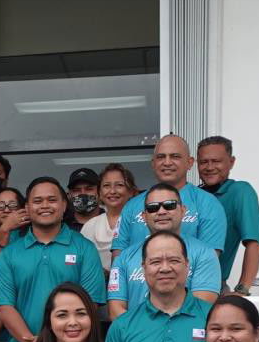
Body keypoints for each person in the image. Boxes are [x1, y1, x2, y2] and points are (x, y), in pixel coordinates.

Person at [0, 177, 106, 342]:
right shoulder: (10, 253)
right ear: (27, 208)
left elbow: (90, 304)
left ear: (64, 205)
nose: (45, 205)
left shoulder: (84, 248)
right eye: (37, 201)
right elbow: (4, 306)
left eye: (52, 200)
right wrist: (31, 341)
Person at [107, 183, 220, 318]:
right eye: (153, 208)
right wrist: (142, 334)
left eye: (169, 205)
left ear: (183, 210)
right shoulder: (124, 257)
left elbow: (201, 307)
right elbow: (115, 309)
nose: (161, 211)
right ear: (143, 216)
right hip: (137, 337)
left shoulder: (204, 253)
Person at [111, 135, 227, 260]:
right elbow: (118, 256)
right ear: (153, 163)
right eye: (161, 157)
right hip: (136, 278)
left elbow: (209, 260)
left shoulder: (208, 204)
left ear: (190, 163)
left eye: (175, 156)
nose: (167, 162)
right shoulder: (132, 205)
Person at [197, 136, 259, 294]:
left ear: (231, 162)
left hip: (212, 288)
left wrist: (242, 289)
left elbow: (254, 242)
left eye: (216, 161)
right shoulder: (193, 195)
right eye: (204, 162)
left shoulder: (239, 191)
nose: (209, 167)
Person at [79, 163, 137, 273]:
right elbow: (82, 263)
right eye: (106, 186)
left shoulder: (140, 222)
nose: (112, 191)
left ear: (131, 191)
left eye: (119, 185)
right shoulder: (90, 225)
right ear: (99, 193)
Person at [64, 167, 100, 232]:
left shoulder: (111, 220)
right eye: (76, 190)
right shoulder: (61, 225)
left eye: (89, 189)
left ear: (99, 192)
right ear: (69, 195)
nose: (83, 194)